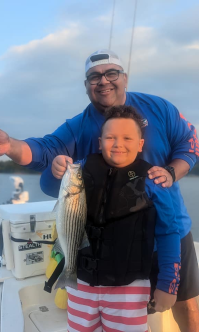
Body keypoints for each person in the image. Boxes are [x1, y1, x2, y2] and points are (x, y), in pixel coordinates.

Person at [0, 49, 199, 331]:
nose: (103, 81)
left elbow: (190, 143)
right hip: (118, 243)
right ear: (86, 86)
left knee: (187, 306)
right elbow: (43, 152)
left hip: (169, 227)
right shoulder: (78, 126)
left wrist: (170, 173)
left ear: (124, 78)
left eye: (111, 73)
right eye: (94, 77)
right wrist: (10, 145)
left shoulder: (159, 108)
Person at [51, 105, 180, 332]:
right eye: (110, 137)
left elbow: (169, 232)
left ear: (140, 145)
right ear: (99, 142)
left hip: (130, 287)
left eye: (127, 138)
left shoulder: (154, 181)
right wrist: (57, 165)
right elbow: (55, 182)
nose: (118, 144)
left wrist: (169, 285)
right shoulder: (80, 170)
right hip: (80, 282)